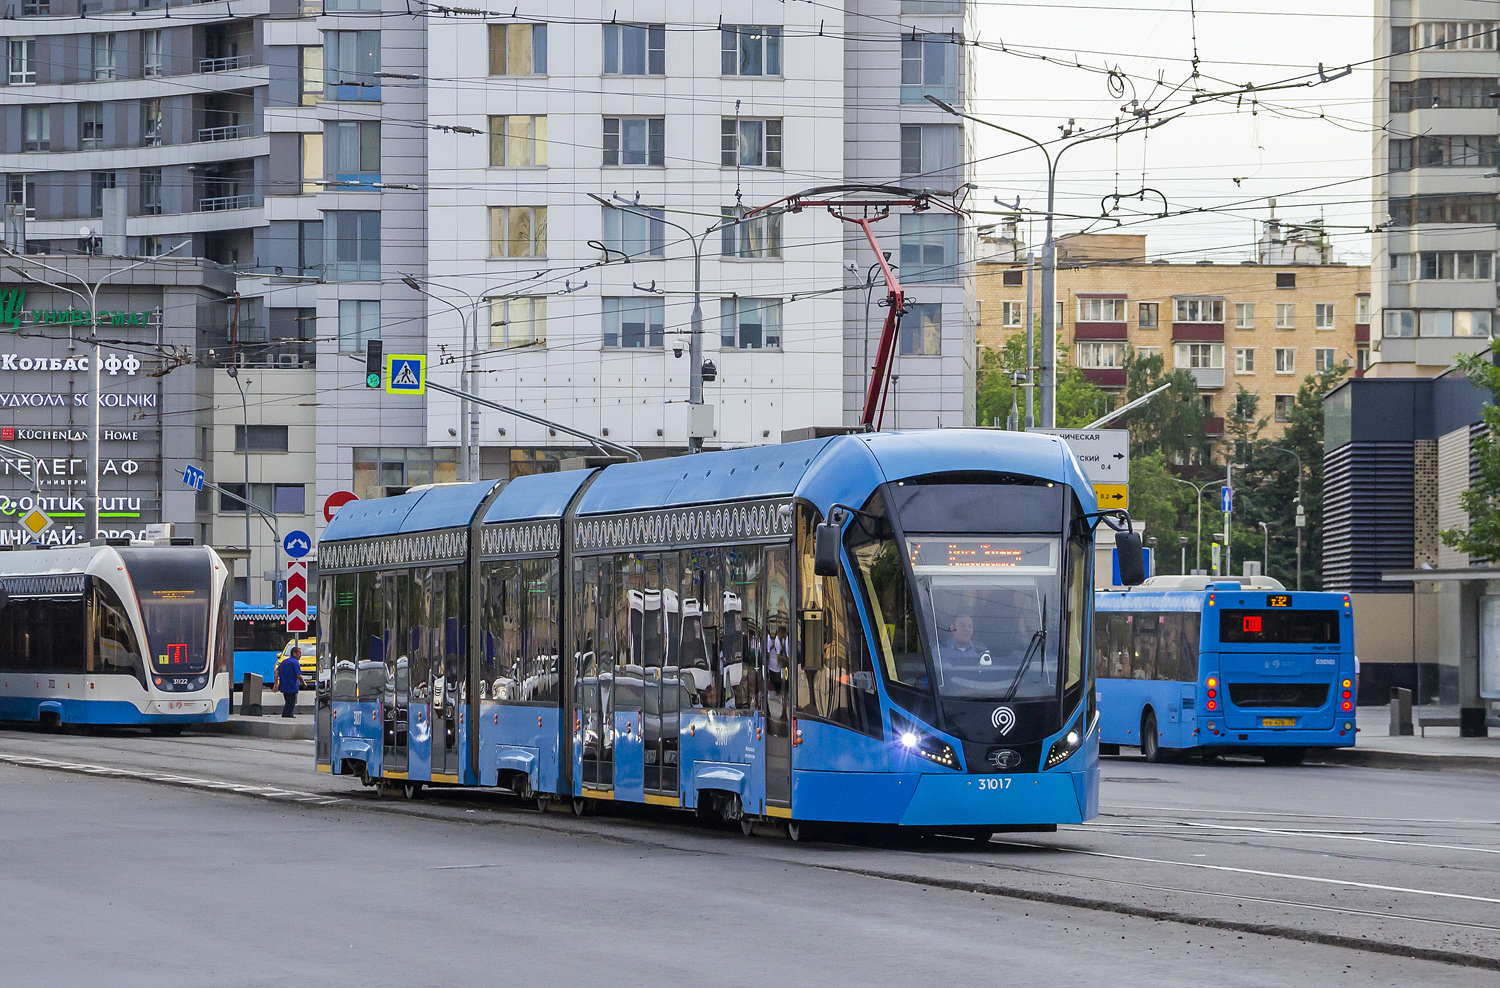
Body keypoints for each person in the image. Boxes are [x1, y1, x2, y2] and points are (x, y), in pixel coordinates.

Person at [275, 646, 302, 718]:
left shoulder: (284, 661)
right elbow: (299, 675)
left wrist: (276, 683)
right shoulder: (295, 662)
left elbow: (276, 671)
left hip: (284, 685)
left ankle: (288, 714)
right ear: (294, 653)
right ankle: (287, 715)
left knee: (288, 700)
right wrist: (303, 683)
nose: (300, 655)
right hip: (292, 685)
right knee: (291, 702)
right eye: (299, 653)